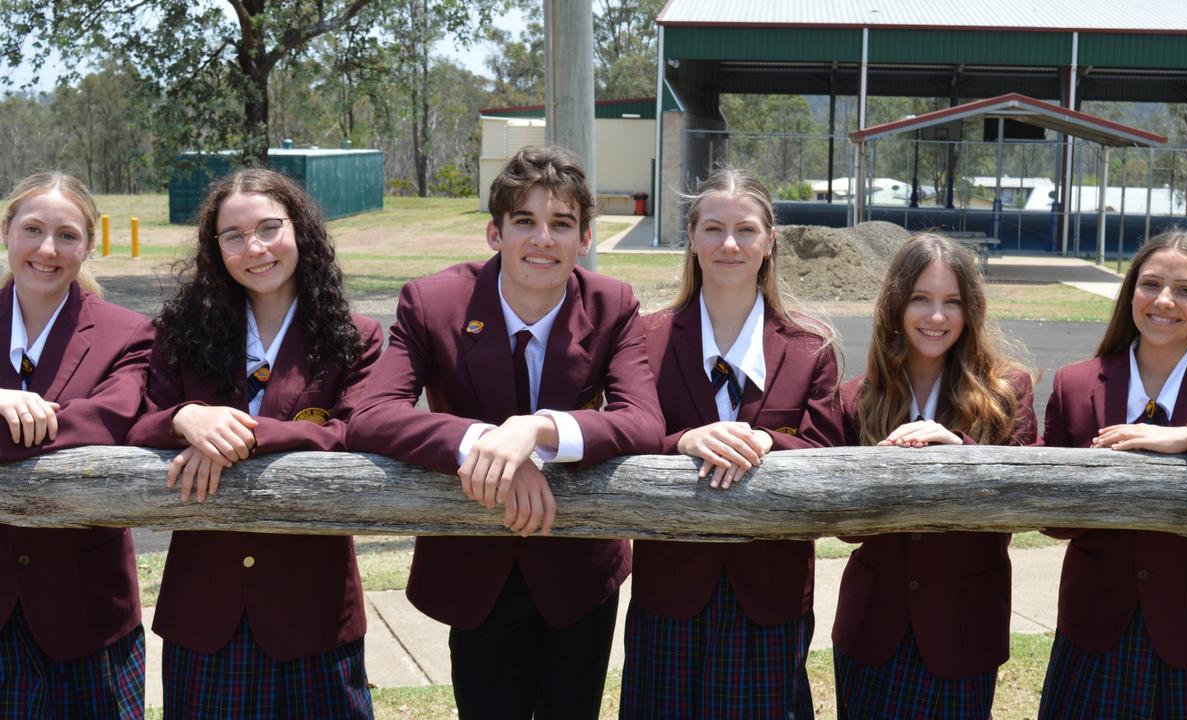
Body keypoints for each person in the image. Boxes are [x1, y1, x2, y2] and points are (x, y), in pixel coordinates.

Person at [347, 145, 664, 719]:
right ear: (495, 233)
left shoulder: (613, 304)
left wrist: (536, 430)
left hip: (579, 571)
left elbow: (643, 420)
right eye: (525, 221)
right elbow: (372, 416)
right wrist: (486, 444)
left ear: (585, 239)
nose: (543, 238)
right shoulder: (433, 302)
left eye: (562, 223)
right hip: (476, 569)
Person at [125, 168, 382, 717]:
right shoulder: (180, 331)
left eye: (269, 228)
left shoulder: (355, 336)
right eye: (234, 236)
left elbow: (352, 433)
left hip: (314, 614)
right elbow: (136, 422)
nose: (255, 248)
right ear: (215, 248)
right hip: (205, 613)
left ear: (301, 231)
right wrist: (185, 417)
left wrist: (238, 432)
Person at [621, 168, 841, 718]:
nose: (729, 244)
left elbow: (831, 453)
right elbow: (622, 435)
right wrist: (683, 440)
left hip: (771, 594)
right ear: (692, 240)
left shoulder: (811, 348)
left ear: (770, 243)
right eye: (713, 229)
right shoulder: (644, 339)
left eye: (746, 230)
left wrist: (764, 440)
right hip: (670, 591)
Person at [1037, 228, 1187, 719]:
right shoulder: (1076, 383)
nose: (1164, 301)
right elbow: (1048, 510)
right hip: (1096, 629)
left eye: (1185, 290)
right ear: (1131, 293)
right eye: (1150, 284)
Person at [833, 233, 1036, 718]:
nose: (936, 317)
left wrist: (962, 453)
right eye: (920, 299)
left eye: (952, 302)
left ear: (972, 311)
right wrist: (874, 477)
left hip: (964, 630)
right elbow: (842, 528)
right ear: (896, 306)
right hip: (872, 631)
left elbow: (1024, 499)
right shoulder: (856, 397)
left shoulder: (1008, 392)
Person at [0, 172, 153, 718]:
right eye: (33, 229)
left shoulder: (129, 333)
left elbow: (106, 422)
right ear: (6, 232)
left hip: (87, 616)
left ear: (89, 245)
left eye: (67, 235)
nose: (47, 249)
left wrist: (22, 421)